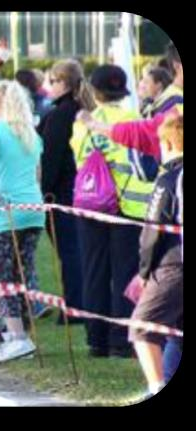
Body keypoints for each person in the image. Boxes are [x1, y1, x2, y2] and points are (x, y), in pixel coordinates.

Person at [72, 65, 151, 359]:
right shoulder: (133, 118)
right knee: (125, 273)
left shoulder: (82, 124)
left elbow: (79, 157)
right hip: (127, 206)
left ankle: (96, 338)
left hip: (91, 203)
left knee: (94, 270)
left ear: (94, 91)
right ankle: (121, 339)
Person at [0, 81, 48, 365]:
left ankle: (17, 337)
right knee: (23, 272)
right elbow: (37, 173)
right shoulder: (30, 134)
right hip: (32, 208)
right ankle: (19, 331)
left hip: (4, 211)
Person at [126, 113, 182, 396]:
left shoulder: (169, 179)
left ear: (169, 143)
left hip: (175, 263)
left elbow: (152, 230)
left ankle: (156, 385)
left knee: (141, 327)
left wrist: (145, 272)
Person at [35, 59, 93, 322]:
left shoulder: (61, 113)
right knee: (76, 251)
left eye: (53, 81)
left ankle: (75, 307)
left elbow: (51, 157)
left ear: (63, 83)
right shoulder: (81, 108)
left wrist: (42, 191)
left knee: (69, 252)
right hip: (79, 189)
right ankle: (79, 304)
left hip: (61, 192)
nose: (49, 86)